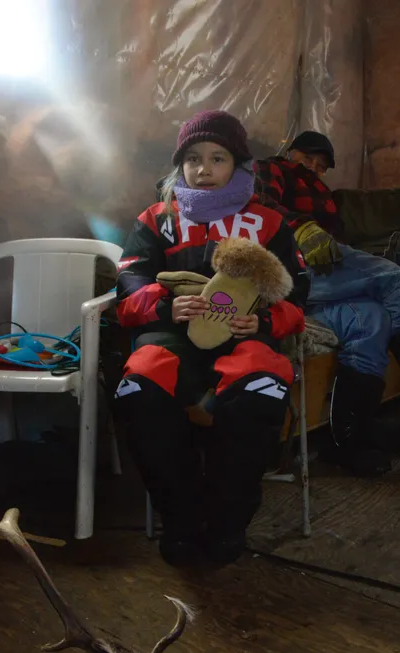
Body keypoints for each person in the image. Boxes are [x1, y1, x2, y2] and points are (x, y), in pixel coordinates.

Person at [114, 110, 308, 568]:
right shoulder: (155, 220)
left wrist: (261, 323)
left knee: (260, 388)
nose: (204, 169)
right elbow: (127, 287)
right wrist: (165, 306)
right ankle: (180, 519)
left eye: (218, 158)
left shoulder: (269, 223)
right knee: (138, 387)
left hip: (244, 338)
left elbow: (300, 298)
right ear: (179, 166)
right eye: (194, 158)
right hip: (171, 335)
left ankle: (227, 522)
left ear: (238, 166)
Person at [254, 131, 400, 476]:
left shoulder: (323, 192)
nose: (313, 168)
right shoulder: (270, 169)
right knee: (393, 277)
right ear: (290, 152)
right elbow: (260, 203)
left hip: (321, 272)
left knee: (372, 319)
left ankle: (346, 443)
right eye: (307, 159)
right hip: (290, 262)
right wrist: (303, 228)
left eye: (320, 166)